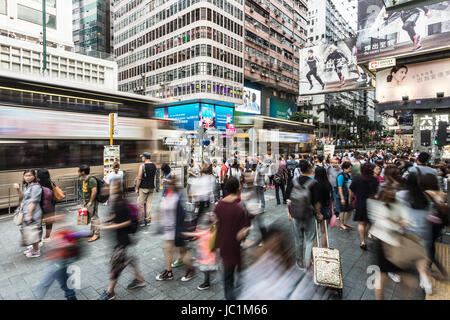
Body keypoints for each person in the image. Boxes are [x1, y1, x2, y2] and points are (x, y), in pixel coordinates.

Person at [96, 180, 146, 300]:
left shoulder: (121, 203)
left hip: (123, 240)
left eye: (109, 187)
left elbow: (126, 222)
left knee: (116, 266)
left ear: (116, 189)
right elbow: (116, 217)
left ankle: (110, 292)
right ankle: (140, 280)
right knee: (128, 259)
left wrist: (106, 226)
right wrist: (106, 220)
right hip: (120, 239)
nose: (105, 189)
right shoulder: (116, 201)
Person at [35, 214, 91, 300]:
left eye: (52, 216)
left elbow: (70, 242)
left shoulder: (64, 227)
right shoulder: (59, 226)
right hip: (58, 260)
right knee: (62, 280)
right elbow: (73, 236)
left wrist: (54, 247)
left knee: (45, 283)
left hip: (60, 260)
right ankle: (71, 295)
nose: (48, 218)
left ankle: (70, 295)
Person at [214, 177, 252, 300]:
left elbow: (216, 226)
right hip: (236, 249)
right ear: (238, 189)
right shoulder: (240, 207)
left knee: (228, 279)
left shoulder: (219, 205)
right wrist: (248, 229)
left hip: (223, 247)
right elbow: (242, 234)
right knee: (240, 279)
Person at [155, 178, 195, 282]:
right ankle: (169, 272)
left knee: (182, 252)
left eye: (168, 185)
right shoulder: (169, 197)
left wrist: (180, 232)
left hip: (177, 231)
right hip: (169, 231)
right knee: (167, 250)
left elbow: (181, 216)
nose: (166, 186)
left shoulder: (176, 198)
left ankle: (191, 270)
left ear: (172, 186)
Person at [286, 160, 322, 270]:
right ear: (309, 169)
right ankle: (307, 263)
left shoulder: (293, 181)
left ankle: (299, 260)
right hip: (309, 215)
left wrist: (289, 213)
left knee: (298, 239)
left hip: (295, 215)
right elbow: (316, 202)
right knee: (310, 239)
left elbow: (287, 199)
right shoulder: (313, 183)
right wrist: (319, 214)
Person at [350, 163, 379, 250]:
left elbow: (352, 189)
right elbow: (376, 192)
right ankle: (366, 236)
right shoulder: (374, 179)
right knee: (369, 222)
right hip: (371, 203)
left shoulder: (357, 178)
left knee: (361, 223)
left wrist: (350, 200)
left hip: (360, 202)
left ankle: (362, 241)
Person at [15, 170, 43, 258]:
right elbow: (23, 197)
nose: (27, 177)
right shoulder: (27, 185)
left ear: (34, 176)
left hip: (33, 213)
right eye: (26, 176)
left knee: (32, 231)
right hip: (26, 211)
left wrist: (29, 214)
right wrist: (17, 189)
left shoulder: (36, 187)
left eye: (30, 175)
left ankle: (36, 251)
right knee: (28, 230)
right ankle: (33, 248)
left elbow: (34, 202)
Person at [79, 165, 100, 242]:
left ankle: (96, 234)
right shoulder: (85, 179)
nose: (78, 172)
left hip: (92, 201)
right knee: (91, 217)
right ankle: (92, 232)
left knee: (94, 217)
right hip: (87, 201)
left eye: (79, 171)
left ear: (83, 172)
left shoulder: (91, 179)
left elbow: (94, 191)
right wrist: (84, 200)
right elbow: (86, 191)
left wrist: (90, 201)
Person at [135, 152, 156, 227]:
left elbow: (139, 178)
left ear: (145, 157)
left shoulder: (142, 166)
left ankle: (141, 221)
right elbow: (153, 177)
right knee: (149, 204)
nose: (141, 158)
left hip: (143, 188)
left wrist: (137, 188)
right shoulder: (154, 165)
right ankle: (148, 220)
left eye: (142, 157)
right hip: (151, 187)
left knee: (140, 204)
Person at [314, 166, 333, 248]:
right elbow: (330, 198)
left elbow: (316, 201)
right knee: (324, 231)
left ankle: (315, 251)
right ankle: (324, 249)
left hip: (316, 210)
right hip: (326, 208)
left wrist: (318, 213)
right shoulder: (328, 184)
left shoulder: (314, 185)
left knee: (315, 233)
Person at [37, 168, 56, 243]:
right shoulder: (51, 182)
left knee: (39, 223)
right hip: (50, 206)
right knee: (49, 222)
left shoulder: (37, 184)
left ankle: (39, 239)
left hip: (40, 206)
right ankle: (47, 237)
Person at [336, 161, 353, 231]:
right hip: (342, 196)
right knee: (342, 211)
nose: (350, 170)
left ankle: (345, 222)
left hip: (348, 195)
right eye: (349, 168)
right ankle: (342, 224)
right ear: (344, 168)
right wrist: (342, 198)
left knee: (350, 210)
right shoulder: (341, 176)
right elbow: (339, 187)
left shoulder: (348, 175)